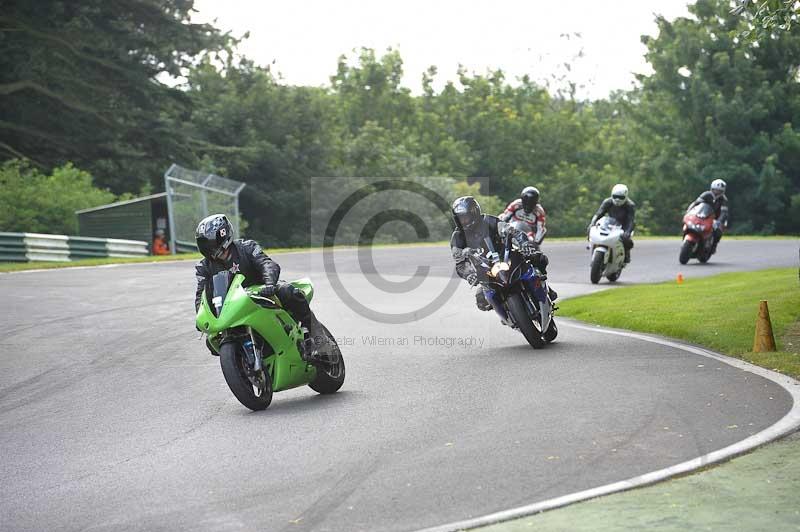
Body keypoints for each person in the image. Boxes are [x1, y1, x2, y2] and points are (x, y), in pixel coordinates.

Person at [193, 214, 329, 361]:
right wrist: (202, 316)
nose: (207, 247)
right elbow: (202, 295)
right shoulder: (204, 267)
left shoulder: (247, 247)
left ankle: (317, 339)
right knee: (211, 340)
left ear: (222, 235)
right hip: (231, 308)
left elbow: (267, 264)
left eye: (208, 242)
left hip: (263, 293)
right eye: (203, 244)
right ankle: (244, 363)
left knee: (288, 292)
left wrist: (269, 284)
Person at [450, 196, 554, 312]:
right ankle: (506, 312)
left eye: (466, 217)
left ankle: (547, 288)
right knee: (481, 301)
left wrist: (524, 244)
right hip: (485, 270)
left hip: (506, 256)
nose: (463, 221)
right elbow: (460, 263)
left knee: (538, 257)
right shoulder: (457, 238)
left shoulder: (489, 221)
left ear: (474, 213)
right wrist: (469, 274)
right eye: (460, 218)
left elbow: (512, 232)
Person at [588, 184, 636, 263]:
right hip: (610, 222)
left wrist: (627, 231)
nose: (617, 199)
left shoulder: (630, 205)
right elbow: (599, 213)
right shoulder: (607, 202)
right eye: (615, 196)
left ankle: (626, 254)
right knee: (590, 229)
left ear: (626, 196)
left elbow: (631, 220)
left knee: (626, 239)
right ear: (611, 195)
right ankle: (591, 244)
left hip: (624, 224)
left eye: (621, 197)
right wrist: (592, 223)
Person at [688, 179, 728, 254]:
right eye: (715, 190)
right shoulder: (706, 194)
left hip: (716, 218)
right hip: (703, 215)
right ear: (711, 189)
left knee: (718, 230)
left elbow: (724, 212)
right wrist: (689, 211)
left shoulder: (724, 199)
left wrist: (719, 221)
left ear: (723, 191)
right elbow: (696, 203)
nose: (717, 192)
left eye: (720, 191)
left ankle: (714, 245)